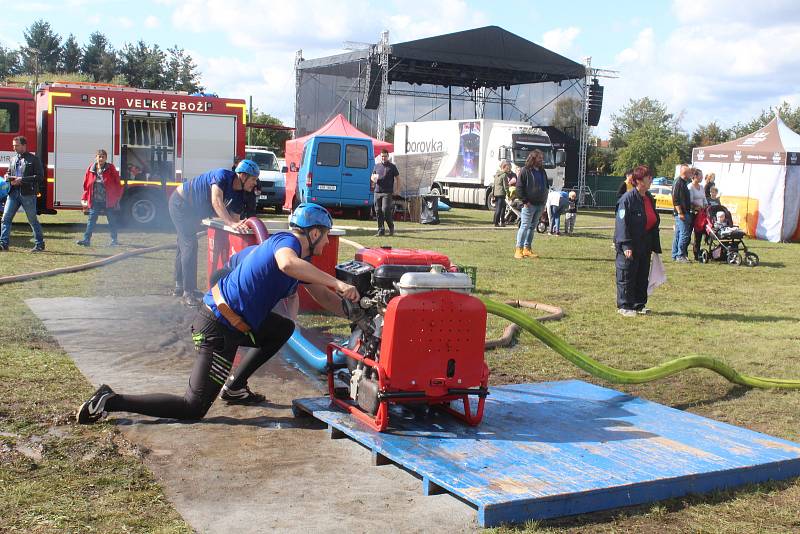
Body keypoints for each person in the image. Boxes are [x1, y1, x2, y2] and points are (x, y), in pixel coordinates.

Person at [76, 202, 360, 424]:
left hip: (232, 322)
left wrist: (357, 315)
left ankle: (235, 386)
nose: (325, 243)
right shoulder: (288, 244)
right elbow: (287, 265)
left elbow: (322, 295)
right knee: (193, 406)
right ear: (313, 232)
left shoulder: (299, 256)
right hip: (218, 327)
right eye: (325, 236)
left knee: (283, 328)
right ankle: (110, 400)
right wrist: (337, 282)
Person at [169, 160, 260, 306]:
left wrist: (239, 224)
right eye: (253, 179)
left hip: (192, 211)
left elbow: (235, 220)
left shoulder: (239, 195)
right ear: (243, 176)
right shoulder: (222, 175)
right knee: (189, 245)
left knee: (184, 244)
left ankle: (179, 287)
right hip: (180, 203)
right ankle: (188, 292)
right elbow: (216, 201)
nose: (255, 183)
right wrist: (231, 222)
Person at [614, 165, 662, 317]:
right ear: (638, 181)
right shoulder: (627, 199)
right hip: (630, 243)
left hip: (645, 242)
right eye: (648, 177)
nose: (651, 180)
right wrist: (626, 244)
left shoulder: (648, 198)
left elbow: (653, 220)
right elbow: (622, 223)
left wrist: (654, 244)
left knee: (642, 274)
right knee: (627, 274)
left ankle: (639, 304)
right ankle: (624, 305)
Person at [0, 136, 45, 252]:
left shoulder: (34, 159)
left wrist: (22, 179)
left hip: (28, 194)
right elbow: (9, 172)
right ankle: (3, 244)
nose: (14, 147)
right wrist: (7, 176)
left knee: (32, 220)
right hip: (13, 193)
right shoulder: (13, 159)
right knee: (6, 219)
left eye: (17, 145)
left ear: (24, 146)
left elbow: (40, 177)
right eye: (13, 145)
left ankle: (40, 244)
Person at [76, 149, 123, 247]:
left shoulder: (111, 168)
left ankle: (114, 240)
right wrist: (84, 197)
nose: (101, 158)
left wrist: (117, 197)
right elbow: (86, 185)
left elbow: (117, 183)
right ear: (96, 157)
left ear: (106, 158)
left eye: (103, 157)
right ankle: (86, 240)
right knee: (91, 220)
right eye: (99, 156)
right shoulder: (91, 168)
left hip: (108, 200)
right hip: (95, 200)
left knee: (111, 221)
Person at [514, 150, 548, 259]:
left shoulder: (543, 171)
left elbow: (546, 186)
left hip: (540, 204)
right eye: (539, 158)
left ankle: (527, 249)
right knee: (524, 226)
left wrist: (544, 203)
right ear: (533, 159)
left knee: (532, 227)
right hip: (529, 204)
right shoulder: (525, 171)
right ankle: (518, 250)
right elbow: (519, 188)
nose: (541, 160)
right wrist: (525, 201)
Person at [371, 149, 400, 237]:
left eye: (385, 156)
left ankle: (391, 227)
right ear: (380, 156)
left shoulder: (392, 167)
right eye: (382, 156)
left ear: (388, 156)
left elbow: (398, 178)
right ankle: (381, 230)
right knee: (377, 211)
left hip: (387, 192)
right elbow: (372, 177)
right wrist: (372, 181)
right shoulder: (377, 166)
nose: (383, 158)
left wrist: (398, 189)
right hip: (377, 192)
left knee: (385, 210)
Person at [671, 164, 692, 262]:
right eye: (690, 172)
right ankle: (680, 255)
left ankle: (675, 254)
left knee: (678, 234)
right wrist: (680, 212)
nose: (691, 174)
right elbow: (675, 199)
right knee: (684, 234)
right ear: (686, 173)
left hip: (684, 212)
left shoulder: (683, 182)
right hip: (681, 213)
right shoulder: (678, 182)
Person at [689, 169, 708, 261]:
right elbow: (690, 201)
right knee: (688, 234)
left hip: (701, 214)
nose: (702, 177)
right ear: (695, 176)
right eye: (700, 176)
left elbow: (704, 199)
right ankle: (683, 253)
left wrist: (706, 206)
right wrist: (697, 208)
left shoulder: (701, 187)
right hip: (693, 213)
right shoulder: (690, 187)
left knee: (699, 234)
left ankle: (697, 254)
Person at [492, 160, 512, 227]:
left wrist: (493, 194)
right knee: (500, 208)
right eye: (507, 168)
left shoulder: (496, 175)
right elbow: (506, 186)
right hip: (501, 194)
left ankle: (501, 221)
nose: (508, 169)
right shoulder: (504, 175)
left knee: (501, 208)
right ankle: (496, 223)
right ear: (503, 167)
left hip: (496, 194)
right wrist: (508, 194)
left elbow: (494, 185)